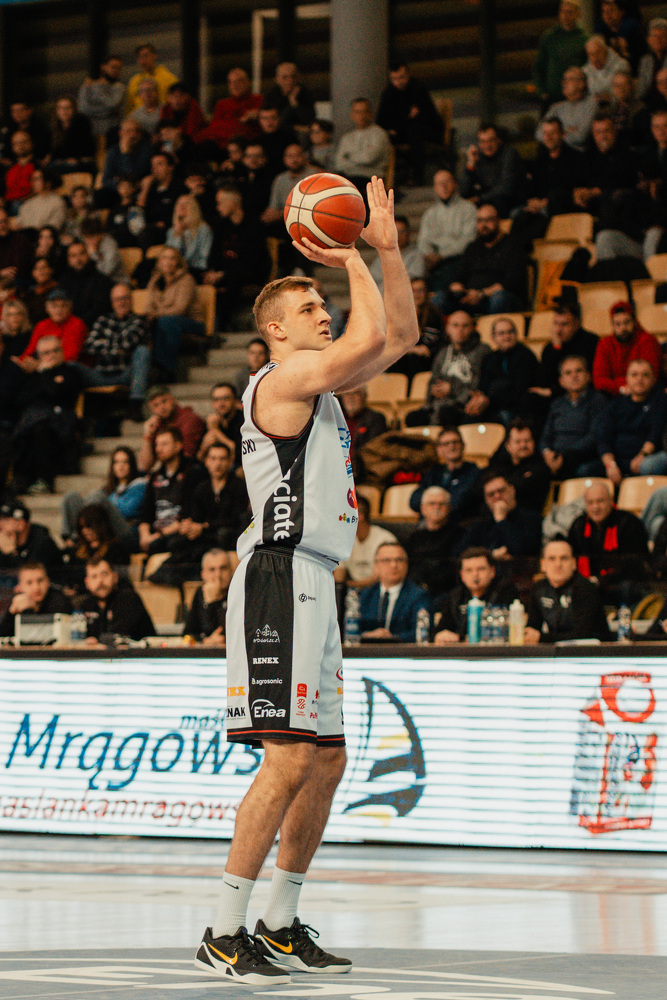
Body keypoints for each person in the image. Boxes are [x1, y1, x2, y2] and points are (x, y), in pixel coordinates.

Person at [196, 176, 419, 983]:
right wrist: (352, 252)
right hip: (278, 573)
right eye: (307, 307)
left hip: (317, 580)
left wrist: (386, 252)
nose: (322, 312)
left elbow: (399, 335)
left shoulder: (322, 383)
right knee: (288, 761)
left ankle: (280, 921)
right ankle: (223, 931)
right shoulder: (279, 380)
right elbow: (367, 339)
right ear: (273, 331)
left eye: (322, 304)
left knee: (325, 762)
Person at [11, 336, 84, 494]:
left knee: (40, 430)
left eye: (56, 350)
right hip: (34, 427)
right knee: (27, 431)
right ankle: (21, 479)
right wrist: (49, 380)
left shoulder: (72, 372)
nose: (52, 355)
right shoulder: (32, 377)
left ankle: (42, 480)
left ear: (62, 351)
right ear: (39, 356)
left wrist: (44, 373)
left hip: (61, 429)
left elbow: (57, 393)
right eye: (46, 353)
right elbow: (22, 400)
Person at [436, 203, 528, 316]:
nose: (483, 225)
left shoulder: (513, 246)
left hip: (499, 298)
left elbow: (513, 281)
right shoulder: (472, 248)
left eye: (488, 220)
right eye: (480, 221)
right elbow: (459, 276)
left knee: (499, 298)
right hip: (470, 298)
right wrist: (459, 289)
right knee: (439, 299)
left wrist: (482, 294)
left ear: (498, 221)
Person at [76, 282, 151, 419]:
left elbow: (128, 344)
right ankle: (70, 414)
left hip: (126, 374)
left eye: (125, 298)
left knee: (142, 350)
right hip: (100, 375)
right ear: (112, 303)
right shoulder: (102, 320)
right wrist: (118, 347)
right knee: (70, 366)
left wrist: (104, 342)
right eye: (117, 299)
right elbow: (90, 346)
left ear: (131, 300)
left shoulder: (139, 321)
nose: (121, 302)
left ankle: (136, 404)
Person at [567, 480, 648, 602]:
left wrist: (599, 580)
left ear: (611, 500)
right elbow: (571, 558)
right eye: (590, 502)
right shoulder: (579, 525)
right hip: (588, 583)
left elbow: (634, 565)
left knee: (627, 588)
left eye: (600, 501)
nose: (595, 507)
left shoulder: (629, 523)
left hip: (619, 583)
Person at [586, 359, 667, 481]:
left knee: (648, 466)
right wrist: (610, 465)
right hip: (617, 459)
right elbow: (603, 438)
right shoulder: (615, 405)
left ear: (654, 379)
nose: (639, 379)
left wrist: (643, 455)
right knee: (585, 470)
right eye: (634, 375)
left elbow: (655, 434)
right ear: (626, 379)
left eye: (645, 375)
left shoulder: (660, 402)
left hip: (646, 457)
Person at [407, 310, 490, 426]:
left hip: (464, 406)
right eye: (455, 325)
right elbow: (433, 381)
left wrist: (452, 388)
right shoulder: (443, 353)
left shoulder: (482, 351)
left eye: (465, 326)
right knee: (412, 418)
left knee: (447, 414)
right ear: (448, 329)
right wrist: (435, 391)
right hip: (439, 405)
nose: (460, 330)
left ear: (472, 328)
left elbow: (479, 384)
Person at [524, 538, 611, 644]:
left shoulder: (585, 588)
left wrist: (541, 638)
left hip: (595, 650)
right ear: (543, 564)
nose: (558, 564)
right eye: (552, 559)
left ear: (574, 563)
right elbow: (533, 628)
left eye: (564, 558)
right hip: (556, 651)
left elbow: (581, 635)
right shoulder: (539, 588)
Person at [61, 445, 146, 549]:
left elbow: (129, 510)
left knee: (96, 495)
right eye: (116, 462)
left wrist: (106, 506)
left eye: (125, 462)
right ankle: (69, 539)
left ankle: (78, 538)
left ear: (132, 465)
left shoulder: (140, 486)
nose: (120, 466)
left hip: (127, 533)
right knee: (71, 497)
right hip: (107, 531)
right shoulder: (108, 489)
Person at [137, 427, 205, 557]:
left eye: (164, 444)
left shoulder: (193, 473)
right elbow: (146, 511)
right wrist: (145, 536)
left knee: (166, 544)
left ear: (178, 446)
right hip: (155, 532)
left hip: (178, 532)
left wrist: (158, 536)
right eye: (157, 444)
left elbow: (189, 514)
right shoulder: (155, 476)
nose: (158, 449)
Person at [431, 547, 518, 644]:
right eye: (469, 570)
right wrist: (440, 635)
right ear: (462, 575)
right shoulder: (456, 596)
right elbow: (438, 631)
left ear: (492, 571)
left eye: (481, 569)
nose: (475, 574)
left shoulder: (505, 591)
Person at [540, 355, 608, 478]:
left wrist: (565, 457)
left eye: (579, 371)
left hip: (583, 457)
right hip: (556, 457)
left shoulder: (598, 400)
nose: (574, 376)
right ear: (561, 381)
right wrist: (546, 452)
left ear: (588, 376)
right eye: (568, 373)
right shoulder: (557, 403)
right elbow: (546, 436)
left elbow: (594, 436)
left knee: (583, 470)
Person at [376, 61, 443, 185]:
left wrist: (400, 124)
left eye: (401, 77)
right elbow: (381, 120)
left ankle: (417, 176)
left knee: (415, 131)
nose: (398, 82)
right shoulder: (388, 93)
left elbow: (427, 117)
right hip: (400, 132)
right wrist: (398, 124)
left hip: (425, 131)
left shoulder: (418, 89)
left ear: (408, 75)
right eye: (394, 79)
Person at [145, 245, 206, 381]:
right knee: (149, 323)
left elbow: (180, 309)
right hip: (165, 322)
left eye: (172, 258)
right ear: (159, 262)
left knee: (167, 321)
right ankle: (153, 367)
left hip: (192, 323)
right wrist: (150, 315)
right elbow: (149, 307)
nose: (168, 262)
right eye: (165, 258)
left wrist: (156, 314)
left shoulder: (186, 279)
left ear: (178, 262)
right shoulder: (154, 281)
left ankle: (166, 367)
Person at [416, 170, 478, 294]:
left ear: (455, 184)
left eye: (447, 182)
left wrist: (442, 256)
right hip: (433, 261)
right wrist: (429, 255)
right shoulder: (430, 213)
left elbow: (468, 240)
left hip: (457, 258)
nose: (444, 187)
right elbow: (423, 241)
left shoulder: (469, 209)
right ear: (435, 188)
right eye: (439, 184)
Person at [358, 542, 430, 641]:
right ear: (376, 565)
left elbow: (421, 632)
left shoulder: (418, 595)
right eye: (387, 560)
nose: (393, 565)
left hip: (402, 649)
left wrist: (391, 639)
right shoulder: (365, 595)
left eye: (399, 560)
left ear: (406, 564)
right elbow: (350, 629)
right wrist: (366, 635)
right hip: (368, 649)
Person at [462, 472, 542, 560]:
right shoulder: (480, 525)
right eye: (491, 494)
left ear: (512, 490)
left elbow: (522, 551)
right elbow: (460, 554)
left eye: (501, 491)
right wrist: (490, 555)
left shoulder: (531, 519)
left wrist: (501, 520)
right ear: (486, 500)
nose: (497, 496)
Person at [477, 316, 541, 426]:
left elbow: (520, 390)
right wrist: (479, 399)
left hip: (516, 409)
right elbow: (483, 386)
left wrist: (489, 399)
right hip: (492, 406)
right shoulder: (489, 359)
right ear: (493, 337)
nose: (507, 336)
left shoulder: (526, 356)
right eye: (501, 333)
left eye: (510, 332)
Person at [79, 554, 154, 643]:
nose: (100, 581)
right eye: (94, 576)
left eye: (104, 574)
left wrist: (96, 641)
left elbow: (119, 636)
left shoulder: (129, 599)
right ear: (87, 583)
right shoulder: (85, 604)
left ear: (115, 577)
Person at [592, 301, 662, 396]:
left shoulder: (648, 341)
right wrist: (622, 389)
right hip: (613, 396)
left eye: (627, 322)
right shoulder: (605, 343)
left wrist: (615, 382)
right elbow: (599, 380)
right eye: (618, 324)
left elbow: (649, 377)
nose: (623, 328)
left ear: (635, 322)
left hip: (645, 395)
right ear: (612, 325)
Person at [410, 426, 480, 516]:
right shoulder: (433, 472)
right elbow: (414, 502)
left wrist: (430, 499)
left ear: (463, 445)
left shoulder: (473, 472)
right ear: (439, 449)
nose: (451, 446)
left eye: (455, 442)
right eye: (446, 444)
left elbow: (459, 502)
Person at [459, 123, 526, 215]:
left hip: (510, 202)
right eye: (483, 142)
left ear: (499, 140)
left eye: (491, 140)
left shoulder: (509, 154)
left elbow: (505, 188)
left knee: (499, 200)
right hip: (487, 201)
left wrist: (479, 199)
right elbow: (463, 192)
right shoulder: (477, 156)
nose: (487, 145)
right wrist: (471, 164)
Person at [333, 494, 397, 589]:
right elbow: (339, 576)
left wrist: (350, 585)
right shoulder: (343, 539)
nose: (341, 519)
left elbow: (379, 578)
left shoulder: (386, 540)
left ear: (359, 516)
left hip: (379, 591)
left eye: (344, 515)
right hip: (351, 591)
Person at [405, 486, 459, 598]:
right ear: (423, 509)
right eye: (431, 503)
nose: (436, 507)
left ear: (449, 508)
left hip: (445, 592)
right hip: (414, 591)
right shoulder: (414, 538)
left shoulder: (459, 534)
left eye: (441, 504)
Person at [537, 300, 599, 395]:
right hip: (558, 396)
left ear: (576, 324)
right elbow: (544, 381)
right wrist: (556, 349)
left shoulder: (591, 342)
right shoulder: (550, 348)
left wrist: (554, 391)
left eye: (564, 324)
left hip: (587, 394)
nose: (558, 330)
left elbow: (590, 379)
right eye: (555, 323)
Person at [488, 419, 551, 513]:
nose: (523, 445)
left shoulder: (541, 468)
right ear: (508, 446)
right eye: (518, 442)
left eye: (527, 441)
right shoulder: (498, 466)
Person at [533, 0, 589, 105]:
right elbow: (539, 66)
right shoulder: (549, 36)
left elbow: (587, 68)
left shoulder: (584, 38)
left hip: (576, 96)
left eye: (570, 12)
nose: (565, 16)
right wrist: (542, 91)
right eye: (563, 12)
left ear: (577, 14)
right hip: (551, 95)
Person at [335, 98, 392, 200]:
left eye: (365, 111)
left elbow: (368, 159)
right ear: (352, 115)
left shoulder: (379, 134)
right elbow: (339, 163)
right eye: (357, 112)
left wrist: (349, 156)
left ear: (371, 113)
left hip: (371, 178)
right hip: (348, 177)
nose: (362, 115)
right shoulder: (346, 137)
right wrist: (358, 160)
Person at [138, 384, 205, 471]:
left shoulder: (189, 419)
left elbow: (185, 456)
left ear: (173, 399)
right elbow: (144, 466)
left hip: (193, 470)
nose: (162, 407)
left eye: (164, 401)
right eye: (156, 405)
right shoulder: (157, 424)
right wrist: (147, 436)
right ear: (151, 409)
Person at [195, 67, 262, 153]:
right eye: (231, 82)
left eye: (239, 81)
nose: (234, 85)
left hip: (245, 146)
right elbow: (214, 129)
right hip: (220, 146)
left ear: (247, 82)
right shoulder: (221, 104)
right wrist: (239, 122)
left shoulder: (258, 100)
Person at [16, 288, 87, 365]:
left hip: (68, 366)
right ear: (47, 308)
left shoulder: (77, 324)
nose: (59, 310)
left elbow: (71, 356)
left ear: (69, 308)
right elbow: (30, 350)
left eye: (63, 306)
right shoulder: (42, 325)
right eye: (54, 306)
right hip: (43, 364)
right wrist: (22, 362)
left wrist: (38, 364)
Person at [0, 560, 71, 637]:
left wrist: (31, 611)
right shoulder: (18, 602)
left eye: (40, 581)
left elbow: (39, 635)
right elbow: (2, 635)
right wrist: (11, 612)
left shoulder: (60, 602)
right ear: (19, 587)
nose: (36, 587)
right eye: (29, 582)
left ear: (48, 582)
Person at [537, 67, 596, 152]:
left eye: (569, 79)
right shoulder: (556, 108)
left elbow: (581, 137)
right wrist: (568, 130)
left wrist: (556, 133)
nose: (564, 83)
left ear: (581, 84)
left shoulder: (591, 105)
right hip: (558, 154)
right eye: (564, 80)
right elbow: (538, 134)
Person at [184, 548, 233, 645]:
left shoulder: (238, 593)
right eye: (212, 570)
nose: (218, 575)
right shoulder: (200, 593)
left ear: (231, 571)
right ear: (203, 574)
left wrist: (212, 602)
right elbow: (188, 634)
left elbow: (228, 633)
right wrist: (205, 641)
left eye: (223, 568)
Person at [60, 240, 113, 329]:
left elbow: (99, 310)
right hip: (67, 327)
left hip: (92, 327)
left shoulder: (101, 280)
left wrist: (76, 324)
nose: (78, 259)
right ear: (68, 260)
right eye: (73, 256)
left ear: (88, 255)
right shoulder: (64, 281)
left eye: (81, 254)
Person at [338, 385, 387, 480]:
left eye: (356, 393)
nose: (351, 398)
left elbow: (371, 452)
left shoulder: (376, 419)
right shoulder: (336, 420)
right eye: (347, 394)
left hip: (363, 473)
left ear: (364, 396)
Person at [0, 499, 61, 571]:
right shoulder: (4, 543)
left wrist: (11, 553)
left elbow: (30, 574)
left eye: (5, 520)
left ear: (21, 524)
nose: (1, 524)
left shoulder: (42, 544)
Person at [77, 56, 125, 139]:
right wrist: (108, 112)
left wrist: (96, 88)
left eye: (118, 68)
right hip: (91, 130)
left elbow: (112, 105)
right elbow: (83, 109)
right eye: (113, 67)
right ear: (103, 67)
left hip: (112, 131)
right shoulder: (88, 85)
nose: (115, 70)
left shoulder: (119, 87)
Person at [166, 194, 213, 277]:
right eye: (179, 204)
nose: (182, 207)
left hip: (196, 270)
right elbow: (171, 256)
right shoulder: (172, 231)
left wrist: (185, 269)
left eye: (186, 204)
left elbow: (204, 257)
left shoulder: (203, 229)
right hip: (175, 271)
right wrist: (178, 235)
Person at [264, 62, 315, 136]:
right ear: (277, 79)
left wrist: (294, 102)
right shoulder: (271, 95)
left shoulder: (305, 93)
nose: (290, 81)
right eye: (285, 77)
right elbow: (277, 122)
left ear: (298, 77)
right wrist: (295, 127)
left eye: (293, 77)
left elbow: (309, 120)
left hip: (299, 135)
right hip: (278, 133)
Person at [198, 382, 243, 466]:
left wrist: (215, 430)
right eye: (216, 400)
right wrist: (203, 448)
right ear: (212, 403)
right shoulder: (212, 421)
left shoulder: (243, 421)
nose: (221, 404)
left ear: (235, 401)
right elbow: (199, 458)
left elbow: (238, 453)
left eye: (226, 398)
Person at [101, 118, 152, 191]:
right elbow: (106, 180)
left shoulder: (146, 150)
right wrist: (120, 184)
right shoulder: (113, 151)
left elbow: (133, 178)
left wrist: (125, 154)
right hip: (117, 190)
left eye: (137, 131)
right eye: (129, 131)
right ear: (120, 133)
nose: (133, 135)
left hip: (138, 191)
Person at [47, 96, 95, 172]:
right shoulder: (53, 127)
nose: (64, 111)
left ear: (74, 109)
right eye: (60, 108)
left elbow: (84, 148)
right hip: (61, 162)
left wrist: (75, 159)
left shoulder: (82, 123)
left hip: (81, 161)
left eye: (67, 108)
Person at [125, 43, 177, 113]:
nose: (143, 60)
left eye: (145, 56)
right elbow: (129, 108)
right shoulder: (134, 81)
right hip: (139, 118)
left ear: (154, 56)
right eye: (139, 57)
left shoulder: (169, 79)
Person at [14, 167, 67, 232]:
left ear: (48, 182)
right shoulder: (28, 203)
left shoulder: (58, 202)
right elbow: (19, 224)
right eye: (32, 179)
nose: (33, 183)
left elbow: (54, 227)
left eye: (36, 179)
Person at [582, 35, 630, 100]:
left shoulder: (621, 65)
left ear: (605, 50)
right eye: (591, 54)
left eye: (597, 52)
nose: (595, 58)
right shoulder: (585, 71)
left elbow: (623, 93)